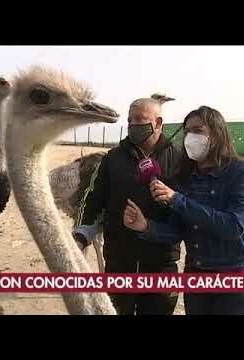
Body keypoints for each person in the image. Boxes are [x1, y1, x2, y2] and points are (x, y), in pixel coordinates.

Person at [123, 105, 244, 315]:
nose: (190, 137)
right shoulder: (185, 178)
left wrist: (178, 200)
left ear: (216, 134)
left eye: (198, 131)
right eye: (187, 131)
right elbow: (178, 231)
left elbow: (233, 227)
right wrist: (146, 227)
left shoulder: (238, 173)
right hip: (195, 277)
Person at [73, 94, 181, 315]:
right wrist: (81, 235)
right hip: (119, 264)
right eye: (130, 120)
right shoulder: (112, 159)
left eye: (140, 120)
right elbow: (92, 198)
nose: (133, 125)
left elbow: (188, 214)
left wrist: (174, 198)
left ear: (158, 123)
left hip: (160, 266)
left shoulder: (179, 160)